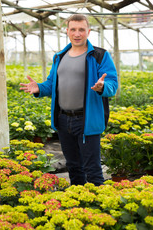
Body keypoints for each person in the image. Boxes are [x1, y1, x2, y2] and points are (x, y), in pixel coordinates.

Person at [20, 14, 118, 186]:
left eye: (81, 29)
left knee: (93, 170)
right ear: (67, 31)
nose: (77, 33)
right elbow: (52, 84)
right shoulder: (60, 56)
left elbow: (112, 83)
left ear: (88, 31)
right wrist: (39, 88)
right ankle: (79, 206)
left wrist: (103, 87)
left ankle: (99, 209)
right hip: (64, 120)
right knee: (73, 167)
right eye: (73, 29)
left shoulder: (99, 55)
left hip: (87, 120)